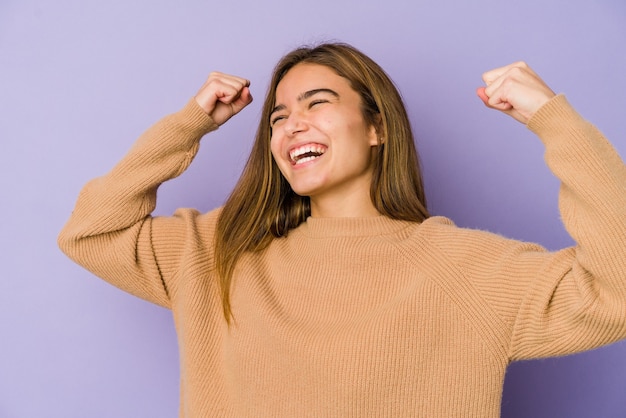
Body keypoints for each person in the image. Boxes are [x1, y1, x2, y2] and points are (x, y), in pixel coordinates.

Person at [58, 42, 626, 417]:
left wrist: (556, 120)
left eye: (317, 103)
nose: (291, 124)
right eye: (278, 117)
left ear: (377, 127)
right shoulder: (216, 254)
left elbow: (615, 292)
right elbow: (90, 233)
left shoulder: (463, 269)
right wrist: (190, 124)